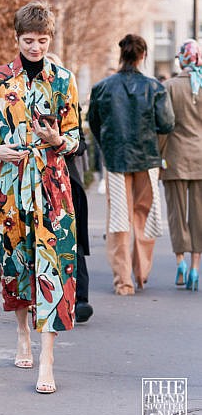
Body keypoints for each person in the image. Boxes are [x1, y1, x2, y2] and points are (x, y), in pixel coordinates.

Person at [0, 1, 79, 393]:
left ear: (50, 39)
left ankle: (48, 360)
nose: (36, 47)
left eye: (43, 40)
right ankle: (22, 334)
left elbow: (76, 136)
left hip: (53, 188)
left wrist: (59, 140)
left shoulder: (63, 79)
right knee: (17, 264)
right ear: (17, 38)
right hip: (12, 189)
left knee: (55, 269)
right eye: (29, 40)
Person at [88, 34, 175, 295]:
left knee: (118, 221)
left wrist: (107, 143)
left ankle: (123, 281)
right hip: (147, 159)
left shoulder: (102, 87)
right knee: (143, 217)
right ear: (143, 56)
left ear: (121, 55)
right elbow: (167, 123)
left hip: (115, 159)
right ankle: (141, 273)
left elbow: (94, 122)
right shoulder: (155, 88)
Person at [46, 52, 93, 323]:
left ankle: (80, 298)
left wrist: (62, 142)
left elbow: (82, 144)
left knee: (70, 240)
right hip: (36, 179)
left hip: (66, 180)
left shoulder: (69, 104)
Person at [160, 39, 202, 291]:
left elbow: (164, 126)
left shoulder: (170, 87)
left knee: (177, 213)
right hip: (200, 158)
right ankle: (196, 267)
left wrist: (160, 155)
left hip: (174, 157)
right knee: (198, 214)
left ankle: (180, 264)